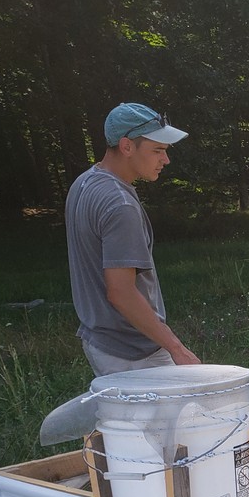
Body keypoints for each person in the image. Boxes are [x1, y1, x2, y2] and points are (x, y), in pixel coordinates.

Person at [66, 102, 201, 377]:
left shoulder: (84, 183)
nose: (166, 160)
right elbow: (121, 292)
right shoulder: (120, 205)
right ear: (127, 147)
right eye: (157, 150)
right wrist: (177, 348)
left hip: (101, 341)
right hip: (133, 352)